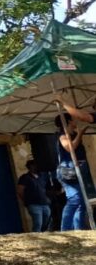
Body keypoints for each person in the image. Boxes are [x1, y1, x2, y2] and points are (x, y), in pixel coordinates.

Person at [55, 98, 93, 231]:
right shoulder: (62, 135)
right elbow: (69, 148)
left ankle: (79, 228)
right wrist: (80, 134)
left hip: (77, 170)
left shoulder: (72, 133)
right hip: (67, 171)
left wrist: (78, 132)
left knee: (82, 201)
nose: (75, 120)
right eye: (72, 119)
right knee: (74, 200)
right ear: (68, 121)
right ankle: (65, 229)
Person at [16, 159, 52, 233]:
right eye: (35, 165)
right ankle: (36, 238)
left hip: (44, 204)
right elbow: (20, 190)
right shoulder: (25, 177)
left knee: (47, 221)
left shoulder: (42, 177)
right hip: (33, 204)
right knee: (38, 223)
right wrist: (26, 201)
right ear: (30, 167)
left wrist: (48, 198)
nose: (37, 167)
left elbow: (45, 189)